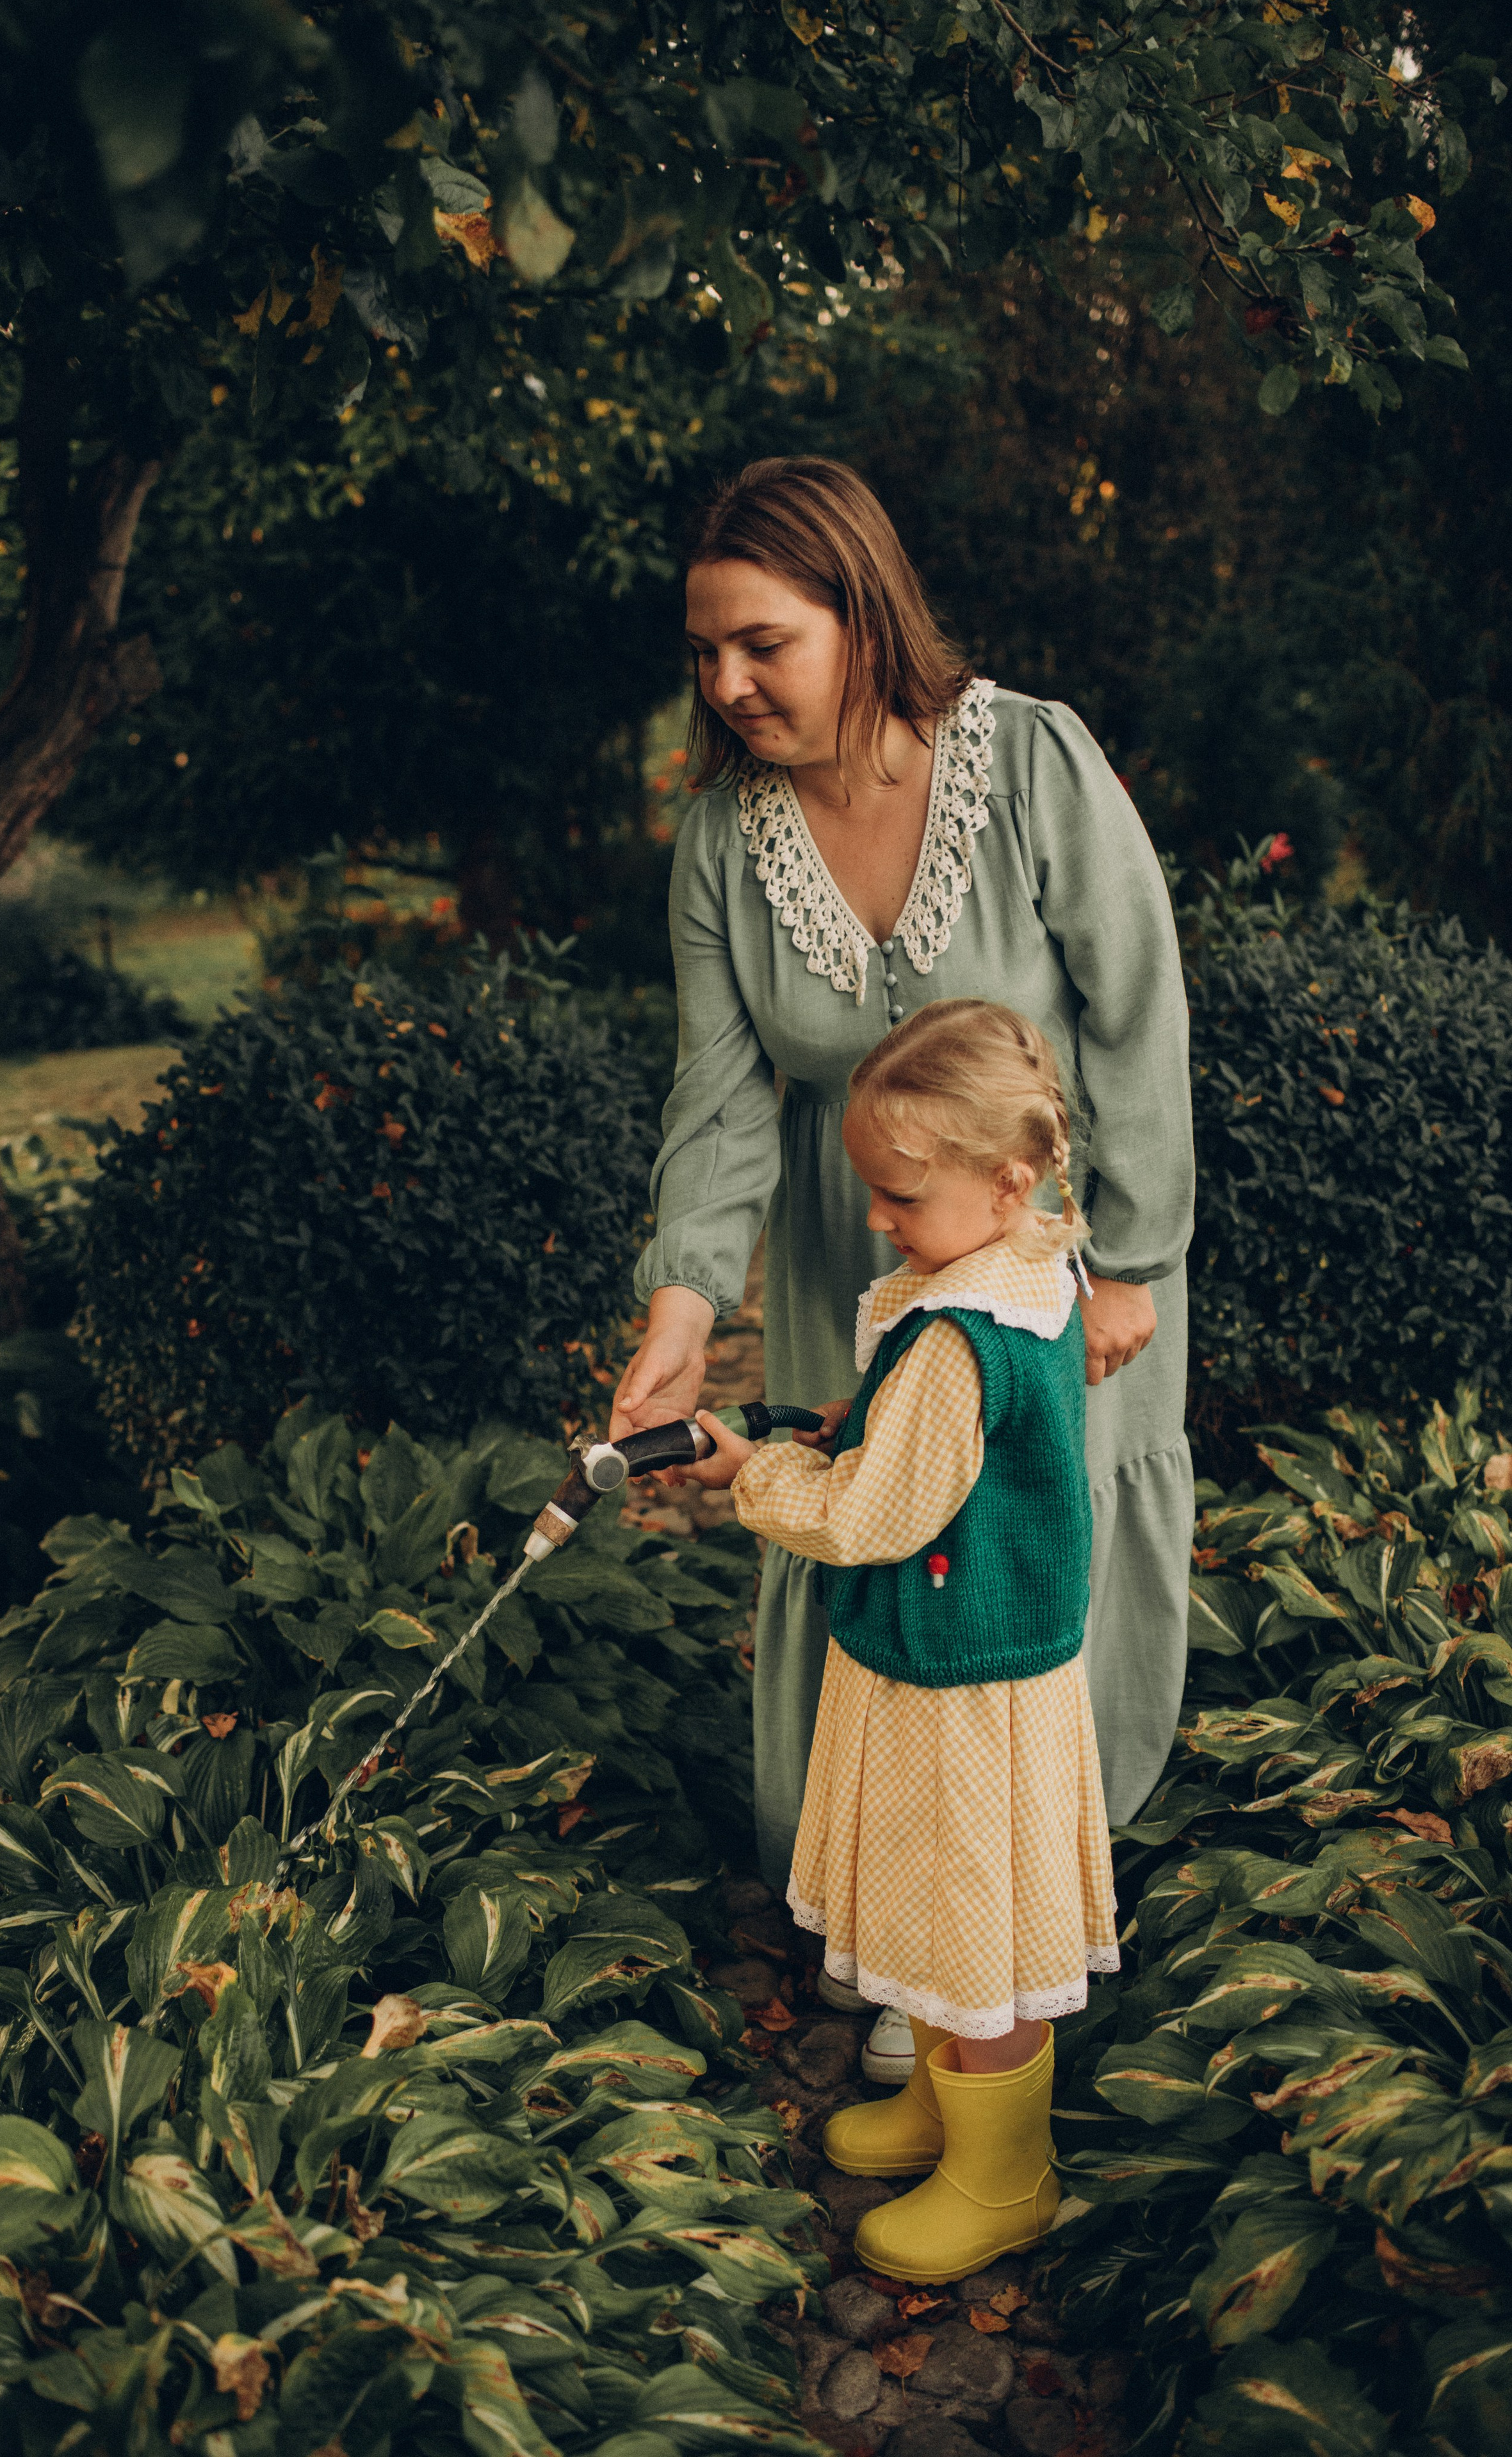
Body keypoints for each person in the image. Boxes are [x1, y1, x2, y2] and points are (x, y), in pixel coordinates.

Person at [611, 461, 1193, 2057]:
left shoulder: (1031, 765)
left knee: (1014, 1566)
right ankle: (891, 1918)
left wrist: (1129, 1259)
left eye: (761, 645)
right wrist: (681, 1308)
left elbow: (1135, 1016)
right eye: (705, 654)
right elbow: (720, 1101)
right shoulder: (723, 843)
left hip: (1046, 1258)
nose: (726, 685)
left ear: (858, 616)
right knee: (877, 1548)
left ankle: (1014, 1948)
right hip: (845, 1253)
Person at [679, 999, 1118, 2284]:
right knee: (946, 1897)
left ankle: (1003, 2177)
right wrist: (836, 1415)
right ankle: (941, 2109)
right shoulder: (1018, 1275)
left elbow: (876, 1515)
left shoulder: (952, 1341)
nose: (878, 1217)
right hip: (976, 1668)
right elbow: (921, 1437)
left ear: (1007, 1179)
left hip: (954, 1686)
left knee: (971, 1911)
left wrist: (754, 1473)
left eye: (899, 1197)